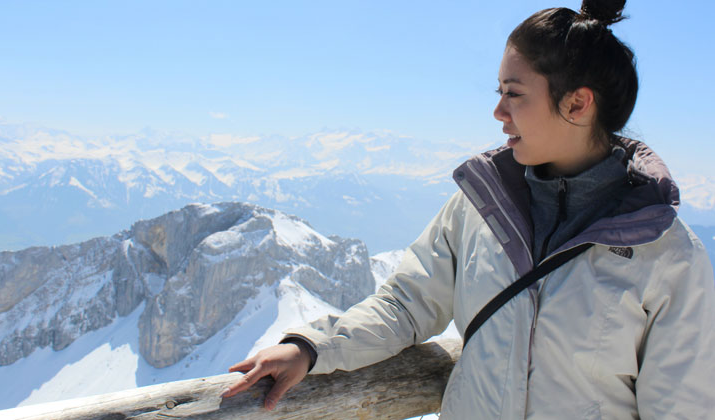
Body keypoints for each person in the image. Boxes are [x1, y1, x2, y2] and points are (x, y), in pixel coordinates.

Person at [222, 0, 715, 418]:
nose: (498, 112)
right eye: (499, 94)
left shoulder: (666, 255)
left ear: (577, 105)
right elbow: (405, 304)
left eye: (513, 95)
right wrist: (312, 347)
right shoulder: (480, 207)